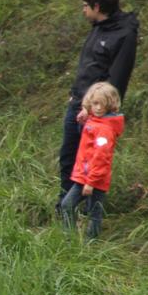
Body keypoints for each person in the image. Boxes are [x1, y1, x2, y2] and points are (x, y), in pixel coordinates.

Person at [58, 0, 138, 209]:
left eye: (86, 6)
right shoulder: (98, 26)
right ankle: (64, 208)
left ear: (97, 6)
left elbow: (117, 80)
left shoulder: (125, 34)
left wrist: (91, 107)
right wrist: (76, 95)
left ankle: (84, 213)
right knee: (68, 158)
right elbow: (90, 67)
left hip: (96, 112)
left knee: (90, 162)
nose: (83, 10)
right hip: (79, 102)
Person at [59, 82, 124, 239]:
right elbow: (87, 141)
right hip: (84, 175)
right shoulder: (95, 121)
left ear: (110, 105)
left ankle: (87, 243)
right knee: (72, 206)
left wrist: (91, 182)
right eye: (95, 103)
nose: (99, 108)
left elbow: (102, 157)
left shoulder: (105, 129)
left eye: (103, 104)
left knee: (92, 212)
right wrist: (83, 122)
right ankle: (73, 239)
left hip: (93, 178)